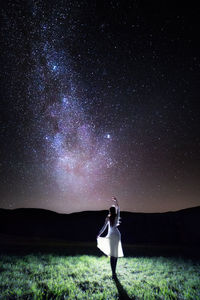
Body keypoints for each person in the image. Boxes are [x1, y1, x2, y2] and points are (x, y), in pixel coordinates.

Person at [97, 196, 124, 278]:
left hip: (112, 235)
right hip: (117, 234)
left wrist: (99, 233)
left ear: (109, 211)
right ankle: (114, 273)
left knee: (112, 254)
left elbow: (104, 227)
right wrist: (116, 201)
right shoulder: (116, 216)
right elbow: (118, 208)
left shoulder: (108, 218)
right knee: (115, 254)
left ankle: (113, 273)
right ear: (114, 211)